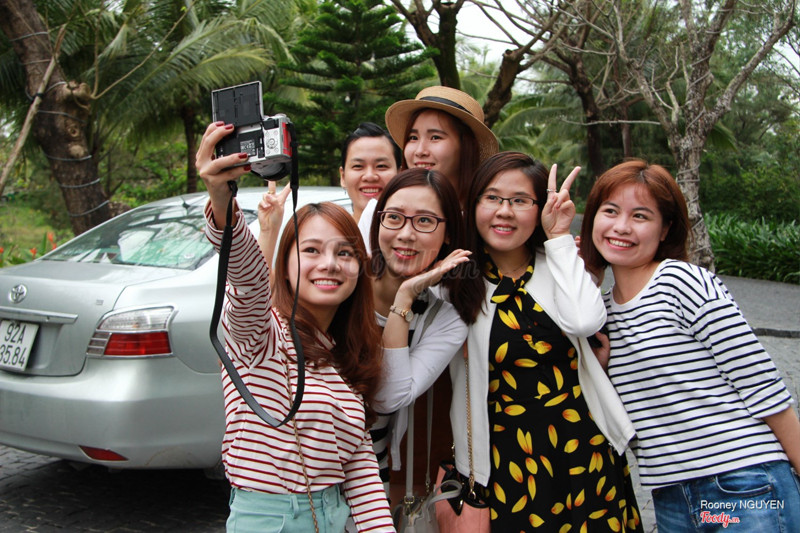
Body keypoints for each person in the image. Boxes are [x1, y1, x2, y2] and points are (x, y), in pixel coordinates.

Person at [580, 159, 800, 531]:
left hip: (743, 482)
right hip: (670, 497)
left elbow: (763, 387)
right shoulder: (598, 315)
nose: (621, 226)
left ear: (665, 228)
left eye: (640, 216)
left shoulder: (683, 282)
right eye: (610, 211)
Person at [196, 121, 394, 532]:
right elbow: (248, 282)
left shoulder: (345, 353)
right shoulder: (261, 337)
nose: (329, 264)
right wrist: (222, 201)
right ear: (284, 266)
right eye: (311, 250)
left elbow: (359, 471)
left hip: (333, 518)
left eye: (345, 253)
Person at [449, 151, 642, 531]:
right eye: (492, 198)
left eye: (520, 201)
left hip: (583, 449)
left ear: (539, 209)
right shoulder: (456, 281)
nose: (504, 211)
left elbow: (586, 320)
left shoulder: (560, 263)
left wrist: (558, 237)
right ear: (473, 204)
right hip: (505, 459)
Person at [366, 168, 470, 497]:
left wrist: (405, 296)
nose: (406, 234)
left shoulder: (445, 318)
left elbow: (388, 398)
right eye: (394, 217)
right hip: (295, 473)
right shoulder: (341, 281)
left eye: (425, 221)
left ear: (448, 234)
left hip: (369, 478)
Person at [358, 85, 500, 246]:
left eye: (435, 137)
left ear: (466, 146)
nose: (420, 151)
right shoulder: (377, 212)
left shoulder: (486, 218)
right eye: (413, 137)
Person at [338, 122, 402, 224]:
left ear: (399, 174)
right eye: (358, 166)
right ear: (343, 177)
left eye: (381, 166)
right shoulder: (328, 233)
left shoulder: (415, 231)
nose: (370, 176)